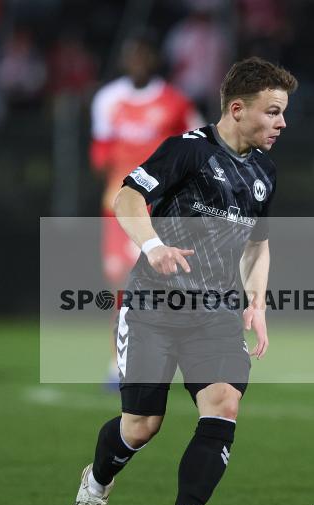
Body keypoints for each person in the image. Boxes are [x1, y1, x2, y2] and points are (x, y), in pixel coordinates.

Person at [70, 57, 297, 505]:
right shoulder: (186, 152)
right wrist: (154, 247)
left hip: (215, 313)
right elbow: (127, 199)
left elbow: (258, 245)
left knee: (224, 405)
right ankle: (97, 484)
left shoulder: (264, 172)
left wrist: (256, 303)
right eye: (274, 112)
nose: (282, 123)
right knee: (141, 426)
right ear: (238, 109)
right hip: (153, 305)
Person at [89, 34, 202, 387]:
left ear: (153, 61)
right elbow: (100, 152)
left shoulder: (175, 102)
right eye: (131, 57)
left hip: (161, 209)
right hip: (119, 209)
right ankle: (116, 362)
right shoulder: (108, 99)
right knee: (120, 284)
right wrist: (115, 179)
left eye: (143, 56)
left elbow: (198, 145)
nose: (136, 63)